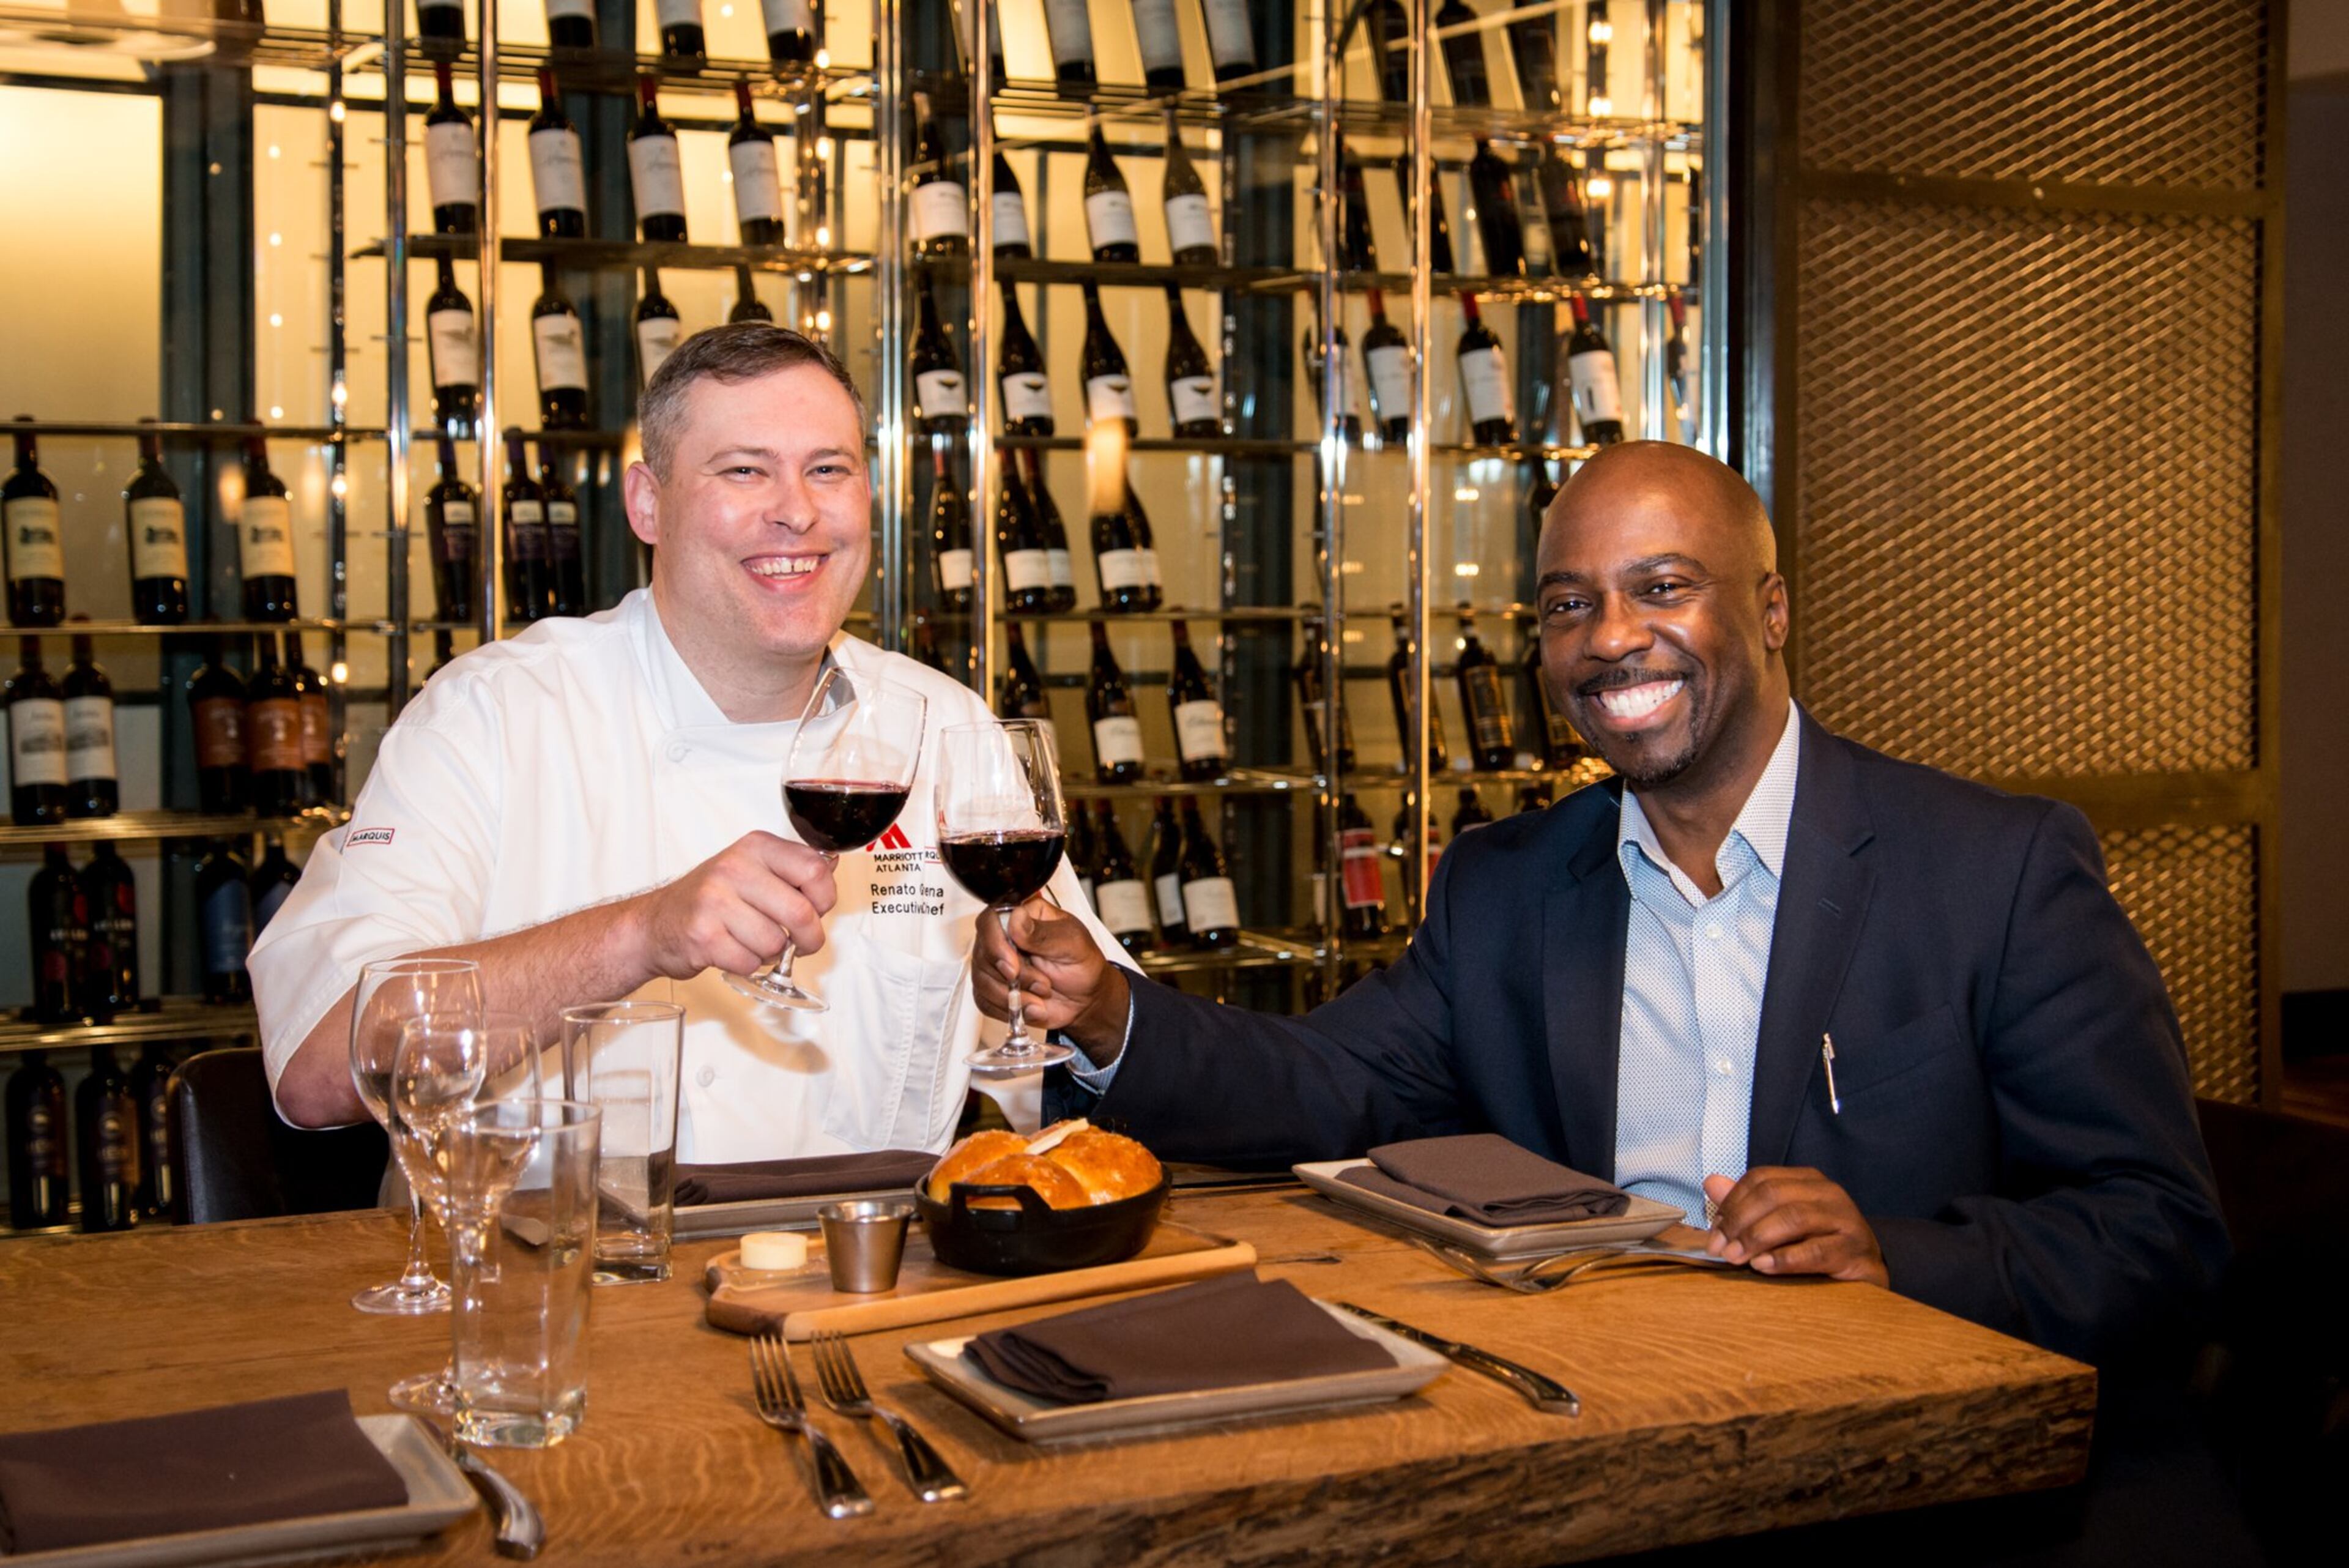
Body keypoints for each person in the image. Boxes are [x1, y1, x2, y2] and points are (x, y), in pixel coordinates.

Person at [975, 440, 2228, 1373]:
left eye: (1663, 586)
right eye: (1570, 604)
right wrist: (1107, 1011)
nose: (1612, 638)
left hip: (1909, 1463)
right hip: (1602, 1411)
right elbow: (1327, 1083)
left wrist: (1896, 1253)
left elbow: (2158, 1234)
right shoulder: (1508, 884)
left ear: (1773, 610)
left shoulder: (1993, 870)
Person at [254, 325, 1128, 1161]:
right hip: (557, 1255)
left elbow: (1091, 1046)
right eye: (745, 471)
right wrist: (641, 935)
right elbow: (320, 1069)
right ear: (648, 503)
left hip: (869, 1254)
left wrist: (1085, 1010)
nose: (797, 513)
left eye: (828, 469)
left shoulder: (945, 725)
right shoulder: (491, 717)